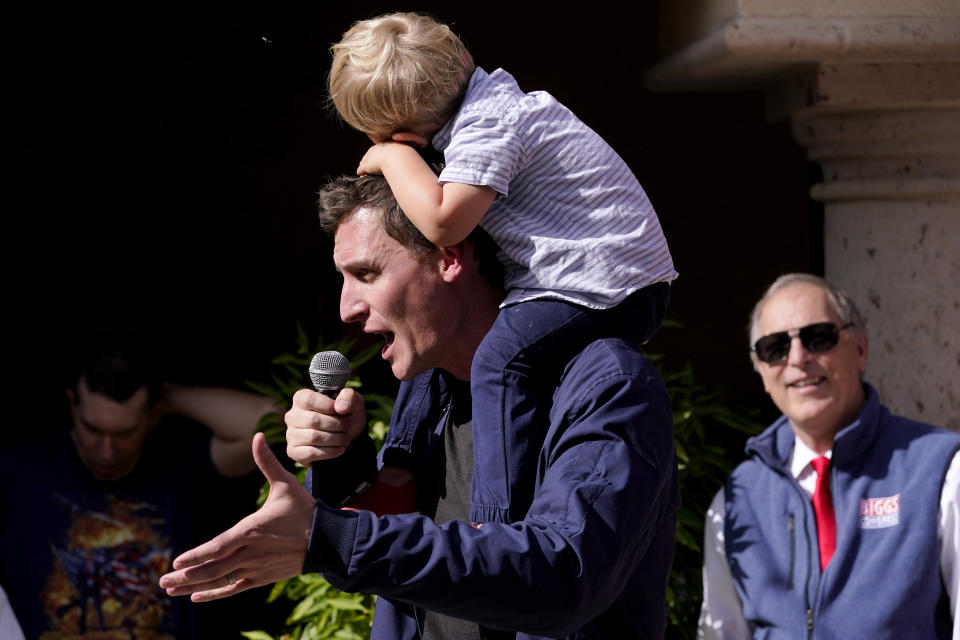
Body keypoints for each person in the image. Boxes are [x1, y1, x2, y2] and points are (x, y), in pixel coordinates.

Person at [159, 174, 679, 639]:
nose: (347, 308)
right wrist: (343, 464)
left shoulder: (606, 383)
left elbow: (562, 578)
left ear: (449, 256)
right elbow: (413, 546)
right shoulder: (428, 383)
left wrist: (335, 539)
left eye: (366, 273)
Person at [329, 12, 677, 523]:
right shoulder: (487, 109)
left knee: (501, 363)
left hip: (601, 283)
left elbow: (444, 223)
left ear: (403, 128)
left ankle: (494, 519)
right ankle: (397, 472)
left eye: (382, 135)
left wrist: (392, 159)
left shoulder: (491, 122)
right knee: (436, 348)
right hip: (584, 276)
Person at [698, 273, 960, 639]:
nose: (798, 359)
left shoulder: (941, 470)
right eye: (775, 348)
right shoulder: (738, 497)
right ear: (760, 370)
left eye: (818, 337)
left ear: (861, 349)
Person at [0, 332, 280, 640]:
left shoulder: (180, 467)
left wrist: (168, 395)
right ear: (72, 405)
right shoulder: (19, 472)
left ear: (153, 415)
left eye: (124, 433)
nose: (107, 451)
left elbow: (273, 420)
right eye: (93, 429)